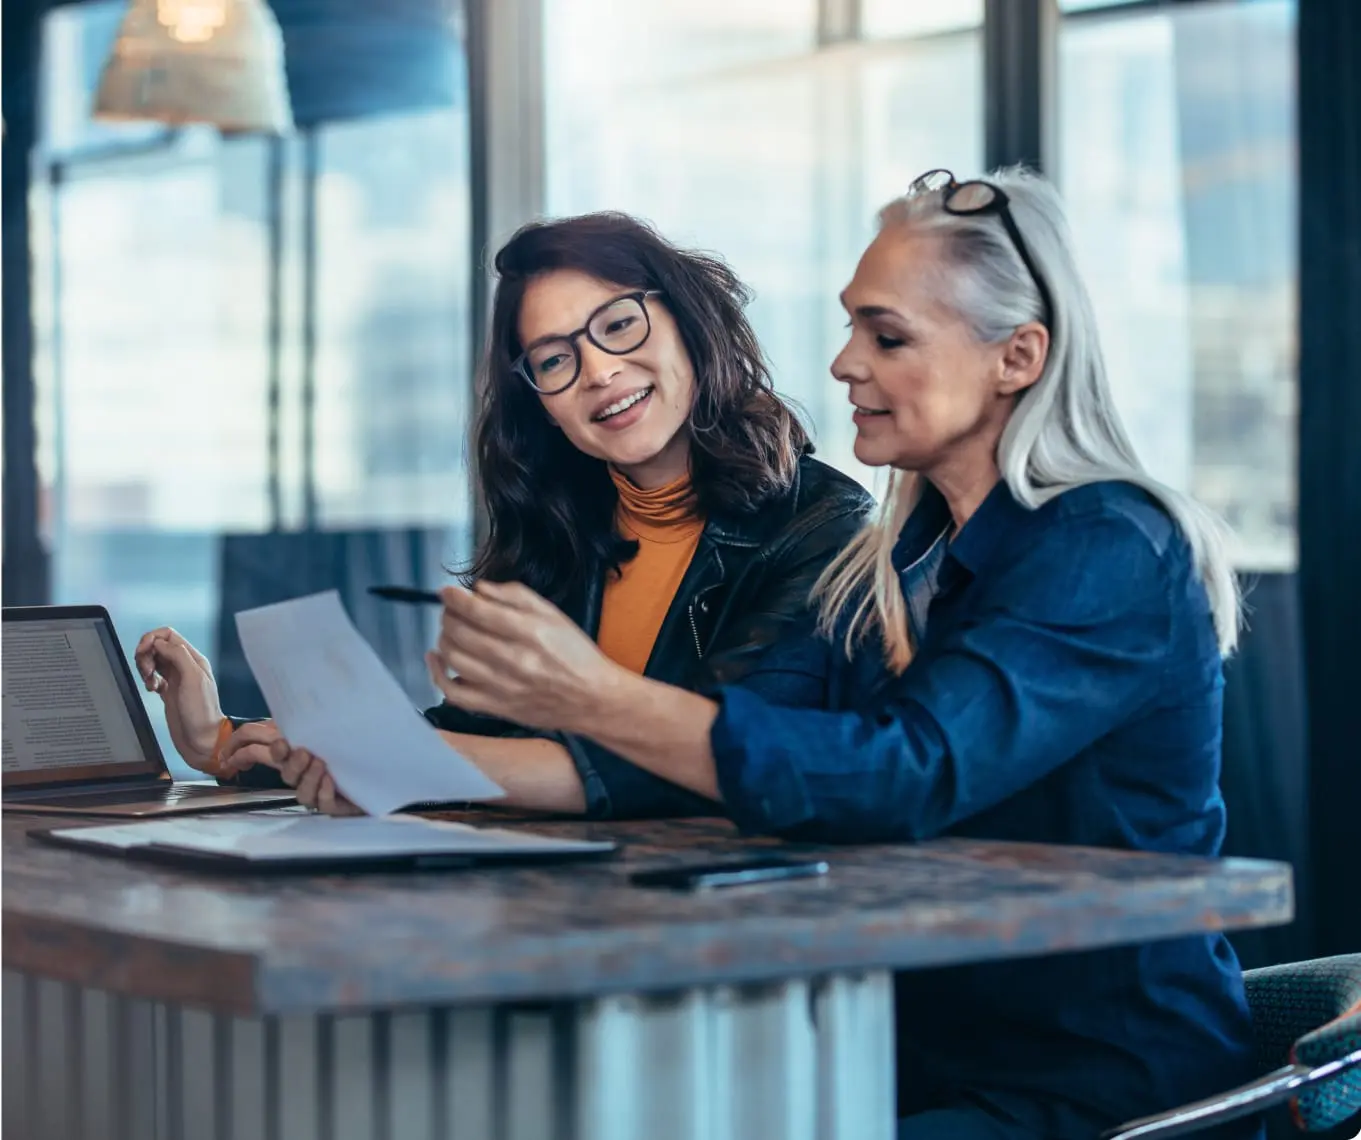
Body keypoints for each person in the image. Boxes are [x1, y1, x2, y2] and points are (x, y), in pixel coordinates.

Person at [279, 168, 1258, 1139]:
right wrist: (377, 759)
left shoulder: (1106, 546)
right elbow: (751, 749)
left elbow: (899, 774)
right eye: (848, 329)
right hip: (901, 1050)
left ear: (1016, 357)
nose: (841, 365)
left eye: (886, 336)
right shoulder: (905, 554)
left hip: (1089, 1088)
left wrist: (586, 695)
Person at [136, 211, 872, 817]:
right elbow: (476, 739)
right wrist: (226, 741)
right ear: (541, 406)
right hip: (556, 906)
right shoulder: (563, 531)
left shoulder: (825, 528)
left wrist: (386, 760)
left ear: (688, 322)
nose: (598, 371)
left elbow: (709, 759)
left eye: (618, 325)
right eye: (554, 360)